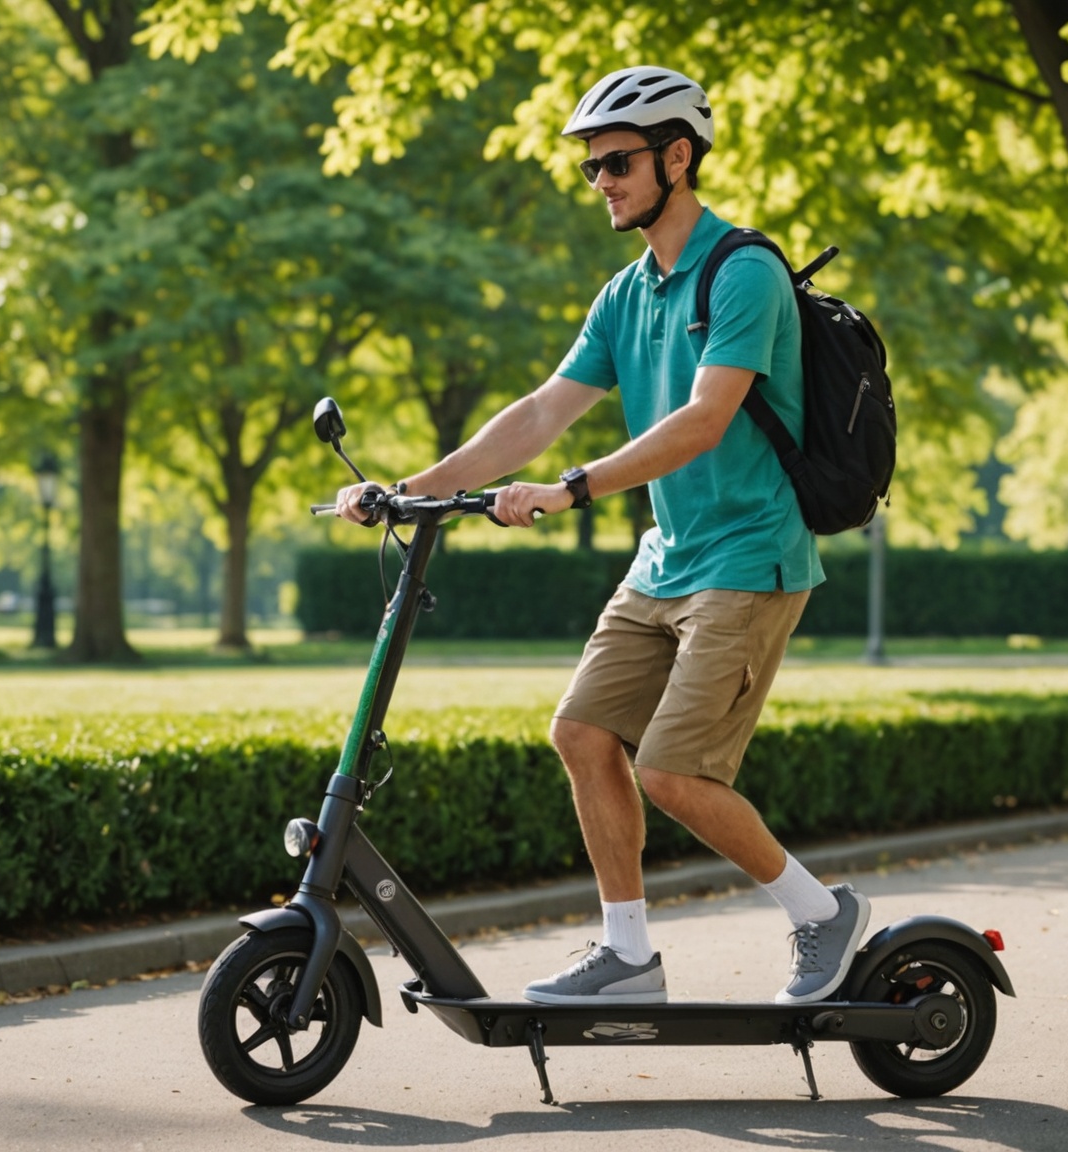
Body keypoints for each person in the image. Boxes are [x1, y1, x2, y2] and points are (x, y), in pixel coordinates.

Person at [334, 65, 869, 1006]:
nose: (603, 183)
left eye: (617, 162)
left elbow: (706, 419)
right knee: (583, 734)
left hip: (751, 558)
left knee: (672, 771)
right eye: (591, 170)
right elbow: (542, 411)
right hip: (668, 560)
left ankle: (820, 912)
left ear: (677, 155)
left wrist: (571, 490)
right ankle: (629, 956)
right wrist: (407, 489)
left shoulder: (743, 272)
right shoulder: (625, 292)